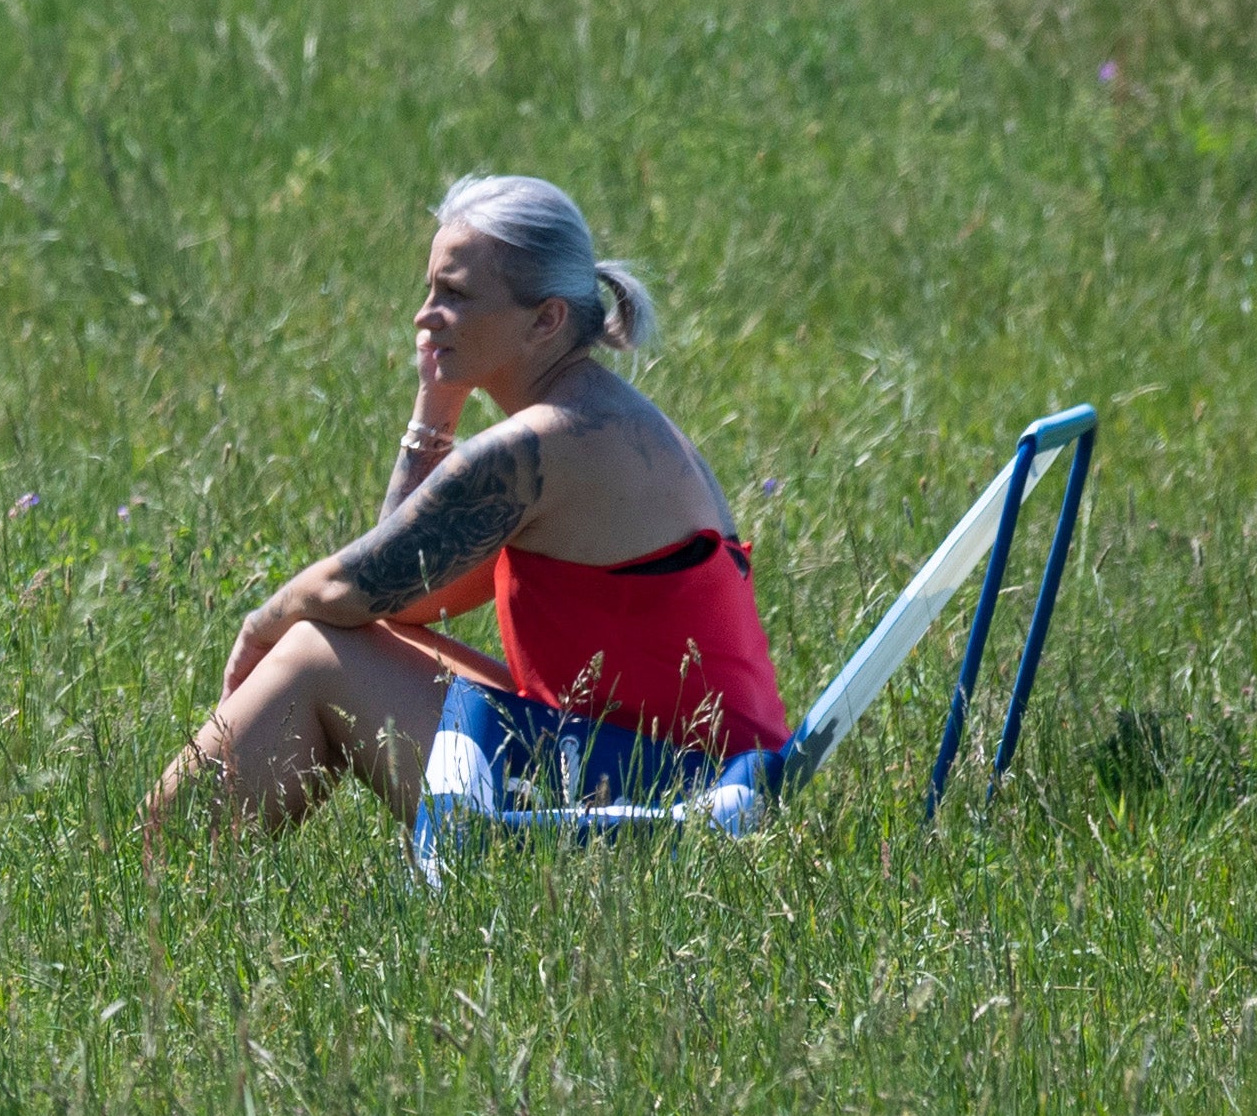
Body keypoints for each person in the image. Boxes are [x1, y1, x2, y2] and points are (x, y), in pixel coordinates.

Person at [142, 175, 783, 845]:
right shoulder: (603, 419)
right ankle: (177, 869)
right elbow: (398, 605)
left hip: (686, 800)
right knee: (337, 640)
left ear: (545, 319)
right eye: (429, 290)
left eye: (454, 295)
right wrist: (435, 408)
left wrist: (255, 626)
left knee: (311, 652)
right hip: (691, 774)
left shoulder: (546, 444)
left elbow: (348, 589)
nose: (424, 315)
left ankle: (168, 879)